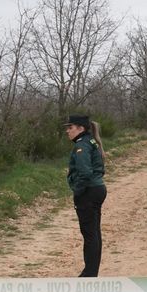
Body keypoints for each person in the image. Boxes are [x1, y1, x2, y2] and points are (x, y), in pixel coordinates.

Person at [64, 114, 107, 277]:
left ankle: (89, 273)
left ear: (81, 128)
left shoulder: (82, 145)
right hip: (97, 189)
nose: (68, 131)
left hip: (89, 191)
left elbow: (85, 172)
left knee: (89, 233)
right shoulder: (91, 141)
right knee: (94, 232)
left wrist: (77, 190)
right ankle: (91, 271)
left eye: (71, 127)